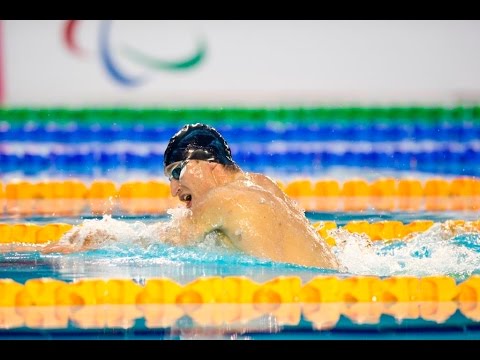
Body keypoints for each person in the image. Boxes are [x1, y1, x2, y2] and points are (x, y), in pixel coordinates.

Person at [43, 123, 339, 269]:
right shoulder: (262, 184)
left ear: (202, 163)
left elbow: (158, 243)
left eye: (175, 173)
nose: (174, 190)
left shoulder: (219, 200)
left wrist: (98, 236)